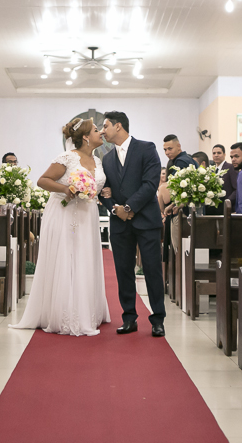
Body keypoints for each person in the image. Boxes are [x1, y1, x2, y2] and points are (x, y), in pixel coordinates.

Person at [10, 117, 110, 336]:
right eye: (96, 130)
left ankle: (86, 311)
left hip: (88, 214)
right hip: (65, 213)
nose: (101, 132)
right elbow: (43, 180)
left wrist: (104, 192)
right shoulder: (67, 157)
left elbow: (98, 185)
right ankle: (64, 313)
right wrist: (67, 189)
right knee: (67, 257)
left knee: (84, 258)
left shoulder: (98, 160)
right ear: (86, 137)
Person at [98, 110, 166, 337]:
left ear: (118, 126)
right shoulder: (107, 158)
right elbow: (103, 190)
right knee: (123, 271)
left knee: (152, 270)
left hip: (146, 220)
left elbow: (150, 184)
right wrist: (114, 208)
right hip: (120, 223)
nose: (102, 131)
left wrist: (128, 208)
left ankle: (158, 319)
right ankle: (129, 318)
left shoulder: (146, 148)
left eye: (105, 126)